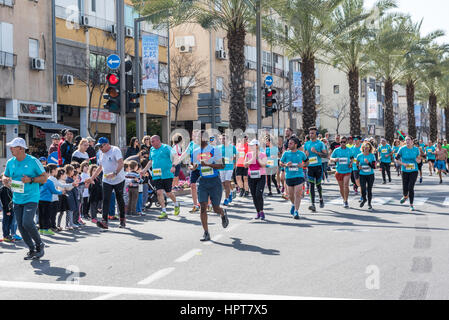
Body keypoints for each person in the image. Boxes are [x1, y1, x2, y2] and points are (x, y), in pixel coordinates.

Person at [2, 137, 47, 260]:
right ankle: (32, 249)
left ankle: (40, 244)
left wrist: (31, 179)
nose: (10, 149)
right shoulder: (11, 162)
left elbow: (44, 177)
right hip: (17, 198)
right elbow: (5, 175)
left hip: (31, 197)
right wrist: (5, 179)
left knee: (27, 222)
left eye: (13, 147)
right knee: (21, 226)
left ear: (21, 148)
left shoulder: (33, 161)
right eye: (10, 146)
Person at [191, 131, 229, 241]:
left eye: (198, 137)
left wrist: (208, 164)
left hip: (214, 182)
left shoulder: (214, 150)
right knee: (203, 207)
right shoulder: (195, 151)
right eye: (196, 137)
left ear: (205, 138)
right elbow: (194, 165)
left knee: (216, 208)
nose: (196, 139)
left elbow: (222, 165)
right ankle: (206, 233)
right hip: (203, 182)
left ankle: (222, 213)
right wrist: (193, 167)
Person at [86, 137, 127, 229]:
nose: (100, 148)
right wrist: (91, 178)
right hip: (106, 180)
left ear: (107, 144)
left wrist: (114, 173)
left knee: (119, 199)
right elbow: (100, 167)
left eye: (101, 146)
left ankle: (122, 219)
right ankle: (104, 221)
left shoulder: (115, 150)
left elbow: (121, 163)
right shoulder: (100, 153)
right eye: (98, 146)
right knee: (106, 199)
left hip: (118, 179)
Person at [142, 135, 180, 219]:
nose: (151, 143)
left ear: (158, 141)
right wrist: (144, 170)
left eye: (152, 141)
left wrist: (173, 166)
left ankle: (176, 204)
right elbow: (151, 161)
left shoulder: (166, 148)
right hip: (156, 174)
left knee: (168, 193)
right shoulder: (152, 149)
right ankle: (163, 211)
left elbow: (176, 157)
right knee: (158, 192)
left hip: (167, 174)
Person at [280, 137, 308, 219]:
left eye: (291, 143)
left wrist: (303, 165)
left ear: (295, 145)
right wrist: (285, 165)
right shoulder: (286, 154)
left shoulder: (301, 153)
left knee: (297, 194)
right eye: (288, 143)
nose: (289, 144)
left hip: (299, 176)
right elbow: (280, 162)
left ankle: (296, 211)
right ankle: (293, 204)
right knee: (291, 195)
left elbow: (307, 162)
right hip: (289, 176)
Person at [304, 127, 327, 212]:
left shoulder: (320, 143)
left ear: (316, 134)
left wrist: (316, 152)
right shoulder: (306, 144)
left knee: (318, 185)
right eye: (310, 133)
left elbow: (325, 155)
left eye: (312, 133)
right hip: (310, 167)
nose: (311, 135)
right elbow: (304, 156)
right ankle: (312, 204)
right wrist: (305, 155)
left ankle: (321, 198)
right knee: (311, 186)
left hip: (318, 167)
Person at [395, 136, 421, 211]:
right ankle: (405, 196)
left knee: (410, 187)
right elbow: (396, 159)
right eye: (406, 140)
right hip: (404, 170)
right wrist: (403, 164)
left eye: (409, 140)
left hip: (414, 170)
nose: (407, 141)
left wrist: (417, 160)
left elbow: (419, 160)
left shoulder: (416, 149)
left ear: (412, 141)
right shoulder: (402, 149)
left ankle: (411, 205)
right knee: (405, 188)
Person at [244, 139, 267, 220]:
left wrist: (257, 158)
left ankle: (261, 211)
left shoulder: (263, 154)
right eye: (250, 145)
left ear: (257, 146)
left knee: (258, 194)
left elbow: (263, 165)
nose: (250, 146)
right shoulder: (248, 154)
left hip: (261, 176)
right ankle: (257, 212)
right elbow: (245, 165)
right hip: (251, 177)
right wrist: (252, 158)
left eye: (252, 145)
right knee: (253, 195)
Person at [39, 165, 64, 235]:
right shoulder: (49, 181)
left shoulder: (39, 181)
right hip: (47, 200)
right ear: (47, 173)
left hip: (39, 200)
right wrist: (61, 192)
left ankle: (41, 229)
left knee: (41, 215)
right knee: (47, 215)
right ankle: (46, 229)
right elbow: (53, 191)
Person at [330, 136, 353, 208]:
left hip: (347, 170)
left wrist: (351, 163)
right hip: (339, 171)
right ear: (339, 142)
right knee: (341, 187)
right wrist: (334, 159)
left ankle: (346, 201)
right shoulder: (336, 150)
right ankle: (344, 199)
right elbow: (330, 158)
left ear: (346, 142)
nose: (343, 143)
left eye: (344, 142)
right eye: (341, 142)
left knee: (346, 185)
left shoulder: (349, 150)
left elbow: (352, 157)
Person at [218, 133, 237, 206]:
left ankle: (226, 199)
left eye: (224, 138)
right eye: (221, 139)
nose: (222, 140)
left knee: (226, 182)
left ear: (228, 140)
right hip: (221, 167)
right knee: (224, 183)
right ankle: (230, 194)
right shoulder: (218, 147)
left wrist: (234, 162)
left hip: (229, 167)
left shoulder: (232, 147)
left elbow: (237, 155)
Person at [356, 142, 376, 210]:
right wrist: (359, 167)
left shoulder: (372, 156)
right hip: (362, 175)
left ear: (370, 148)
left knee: (369, 189)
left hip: (370, 175)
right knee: (363, 188)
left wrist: (368, 163)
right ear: (363, 148)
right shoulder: (359, 156)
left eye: (367, 147)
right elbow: (357, 164)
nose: (366, 148)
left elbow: (374, 167)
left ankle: (369, 204)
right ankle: (364, 199)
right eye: (365, 147)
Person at [1, 177, 14, 242]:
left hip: (11, 208)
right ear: (6, 182)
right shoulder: (4, 190)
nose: (11, 182)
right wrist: (7, 210)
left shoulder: (9, 189)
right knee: (6, 222)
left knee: (9, 222)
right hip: (7, 209)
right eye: (10, 181)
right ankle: (5, 235)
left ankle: (8, 234)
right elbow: (5, 201)